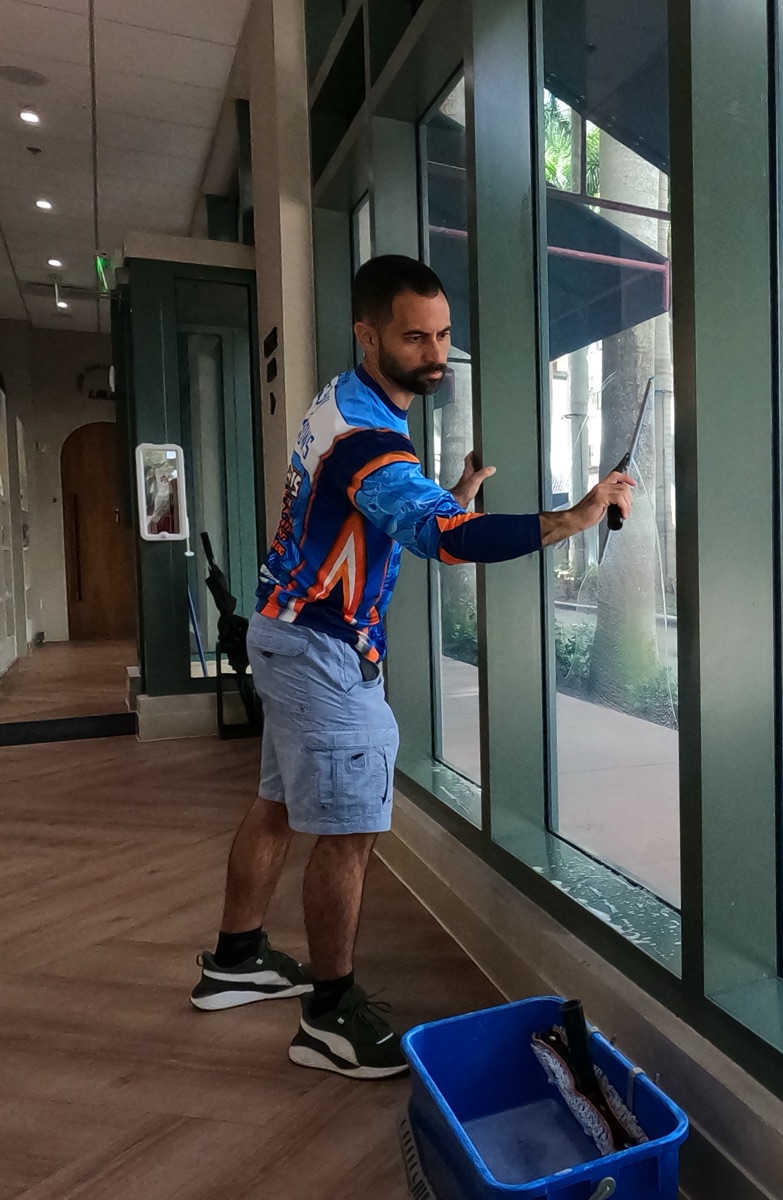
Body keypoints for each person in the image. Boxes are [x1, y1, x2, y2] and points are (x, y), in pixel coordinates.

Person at [188, 255, 633, 1079]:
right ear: (368, 334)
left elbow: (397, 514)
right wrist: (577, 515)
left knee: (277, 804)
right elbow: (446, 540)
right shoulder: (368, 440)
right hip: (323, 649)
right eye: (414, 338)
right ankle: (328, 1016)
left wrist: (450, 489)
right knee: (349, 833)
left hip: (284, 629)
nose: (435, 353)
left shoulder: (343, 400)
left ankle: (237, 958)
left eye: (443, 335)